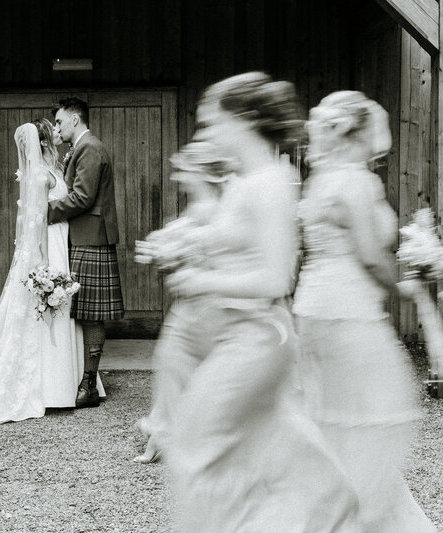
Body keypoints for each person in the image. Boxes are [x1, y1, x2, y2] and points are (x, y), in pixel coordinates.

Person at [165, 72, 361, 531]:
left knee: (197, 443)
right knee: (271, 442)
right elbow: (231, 239)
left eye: (212, 124)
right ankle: (331, 503)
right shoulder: (243, 181)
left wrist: (201, 281)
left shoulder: (273, 181)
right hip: (231, 334)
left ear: (244, 120)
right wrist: (186, 242)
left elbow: (276, 277)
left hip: (256, 338)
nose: (205, 135)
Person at [293, 91, 436, 532]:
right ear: (357, 134)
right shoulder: (356, 181)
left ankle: (336, 506)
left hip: (312, 307)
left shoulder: (319, 180)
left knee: (333, 416)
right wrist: (407, 287)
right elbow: (371, 256)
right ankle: (366, 513)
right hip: (349, 312)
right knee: (371, 416)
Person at [0, 119, 104, 428]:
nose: (56, 133)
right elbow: (36, 220)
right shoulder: (40, 175)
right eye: (51, 131)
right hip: (50, 244)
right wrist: (41, 262)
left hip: (62, 241)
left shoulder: (51, 169)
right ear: (43, 143)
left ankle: (67, 380)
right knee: (51, 307)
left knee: (63, 309)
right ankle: (53, 386)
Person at [132, 141, 230, 464]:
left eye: (186, 170)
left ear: (201, 173)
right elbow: (180, 243)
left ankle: (210, 437)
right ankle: (163, 435)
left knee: (205, 371)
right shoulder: (198, 206)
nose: (179, 176)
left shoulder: (219, 209)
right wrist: (162, 252)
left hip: (211, 305)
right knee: (170, 362)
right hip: (188, 306)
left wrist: (173, 253)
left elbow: (215, 253)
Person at [49, 97, 124, 408]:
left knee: (92, 314)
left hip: (91, 238)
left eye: (60, 122)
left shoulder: (89, 147)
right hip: (84, 236)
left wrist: (45, 211)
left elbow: (82, 197)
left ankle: (88, 385)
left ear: (75, 120)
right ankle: (84, 380)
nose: (57, 128)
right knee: (84, 311)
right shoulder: (81, 148)